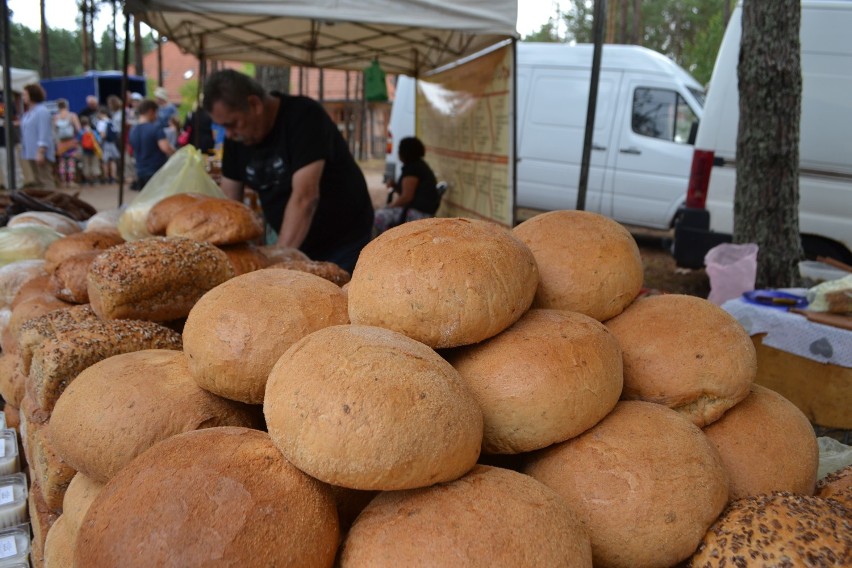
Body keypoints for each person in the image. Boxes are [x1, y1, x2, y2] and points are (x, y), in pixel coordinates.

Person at [203, 69, 374, 273]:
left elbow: (305, 198)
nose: (228, 134)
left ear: (254, 104)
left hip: (344, 241)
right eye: (223, 127)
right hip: (298, 241)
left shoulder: (304, 116)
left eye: (232, 124)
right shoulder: (235, 139)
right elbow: (228, 205)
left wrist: (278, 260)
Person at [374, 136, 440, 235]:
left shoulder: (412, 169)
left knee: (377, 217)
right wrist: (395, 186)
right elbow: (408, 192)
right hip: (421, 211)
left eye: (399, 150)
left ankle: (387, 244)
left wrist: (389, 206)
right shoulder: (418, 166)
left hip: (418, 213)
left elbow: (407, 197)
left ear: (405, 152)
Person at [128, 99, 175, 190]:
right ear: (150, 111)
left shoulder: (133, 130)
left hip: (140, 171)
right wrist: (177, 153)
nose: (157, 116)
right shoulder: (156, 128)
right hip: (155, 172)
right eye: (156, 112)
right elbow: (165, 148)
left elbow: (131, 149)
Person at [20, 83, 56, 190]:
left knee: (45, 179)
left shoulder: (42, 111)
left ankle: (50, 203)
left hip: (39, 152)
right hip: (30, 152)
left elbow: (44, 131)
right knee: (37, 180)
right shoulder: (29, 113)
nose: (23, 97)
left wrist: (41, 151)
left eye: (25, 95)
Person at [53, 98, 82, 187]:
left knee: (61, 161)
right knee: (71, 160)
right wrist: (77, 140)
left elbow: (54, 131)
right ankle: (71, 181)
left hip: (61, 142)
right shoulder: (72, 116)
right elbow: (78, 129)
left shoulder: (55, 117)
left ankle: (63, 181)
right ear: (66, 106)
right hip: (71, 141)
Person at [97, 105, 121, 183]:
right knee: (113, 160)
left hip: (105, 143)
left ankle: (106, 177)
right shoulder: (111, 121)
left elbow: (102, 134)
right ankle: (113, 177)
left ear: (101, 113)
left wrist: (99, 142)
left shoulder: (101, 122)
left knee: (105, 161)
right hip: (112, 143)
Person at [77, 116, 102, 185]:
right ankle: (96, 180)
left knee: (86, 164)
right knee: (95, 164)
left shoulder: (81, 132)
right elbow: (99, 140)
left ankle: (87, 180)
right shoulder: (93, 131)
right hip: (94, 150)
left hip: (85, 151)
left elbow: (78, 141)